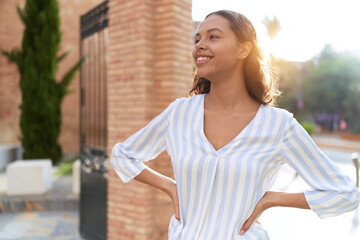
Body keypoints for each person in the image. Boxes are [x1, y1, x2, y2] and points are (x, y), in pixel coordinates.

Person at [110, 10, 360, 240]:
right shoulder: (179, 113)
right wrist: (170, 186)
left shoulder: (278, 125)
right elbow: (122, 156)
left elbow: (345, 193)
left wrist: (272, 199)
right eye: (197, 38)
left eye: (213, 36)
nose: (200, 45)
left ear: (243, 50)